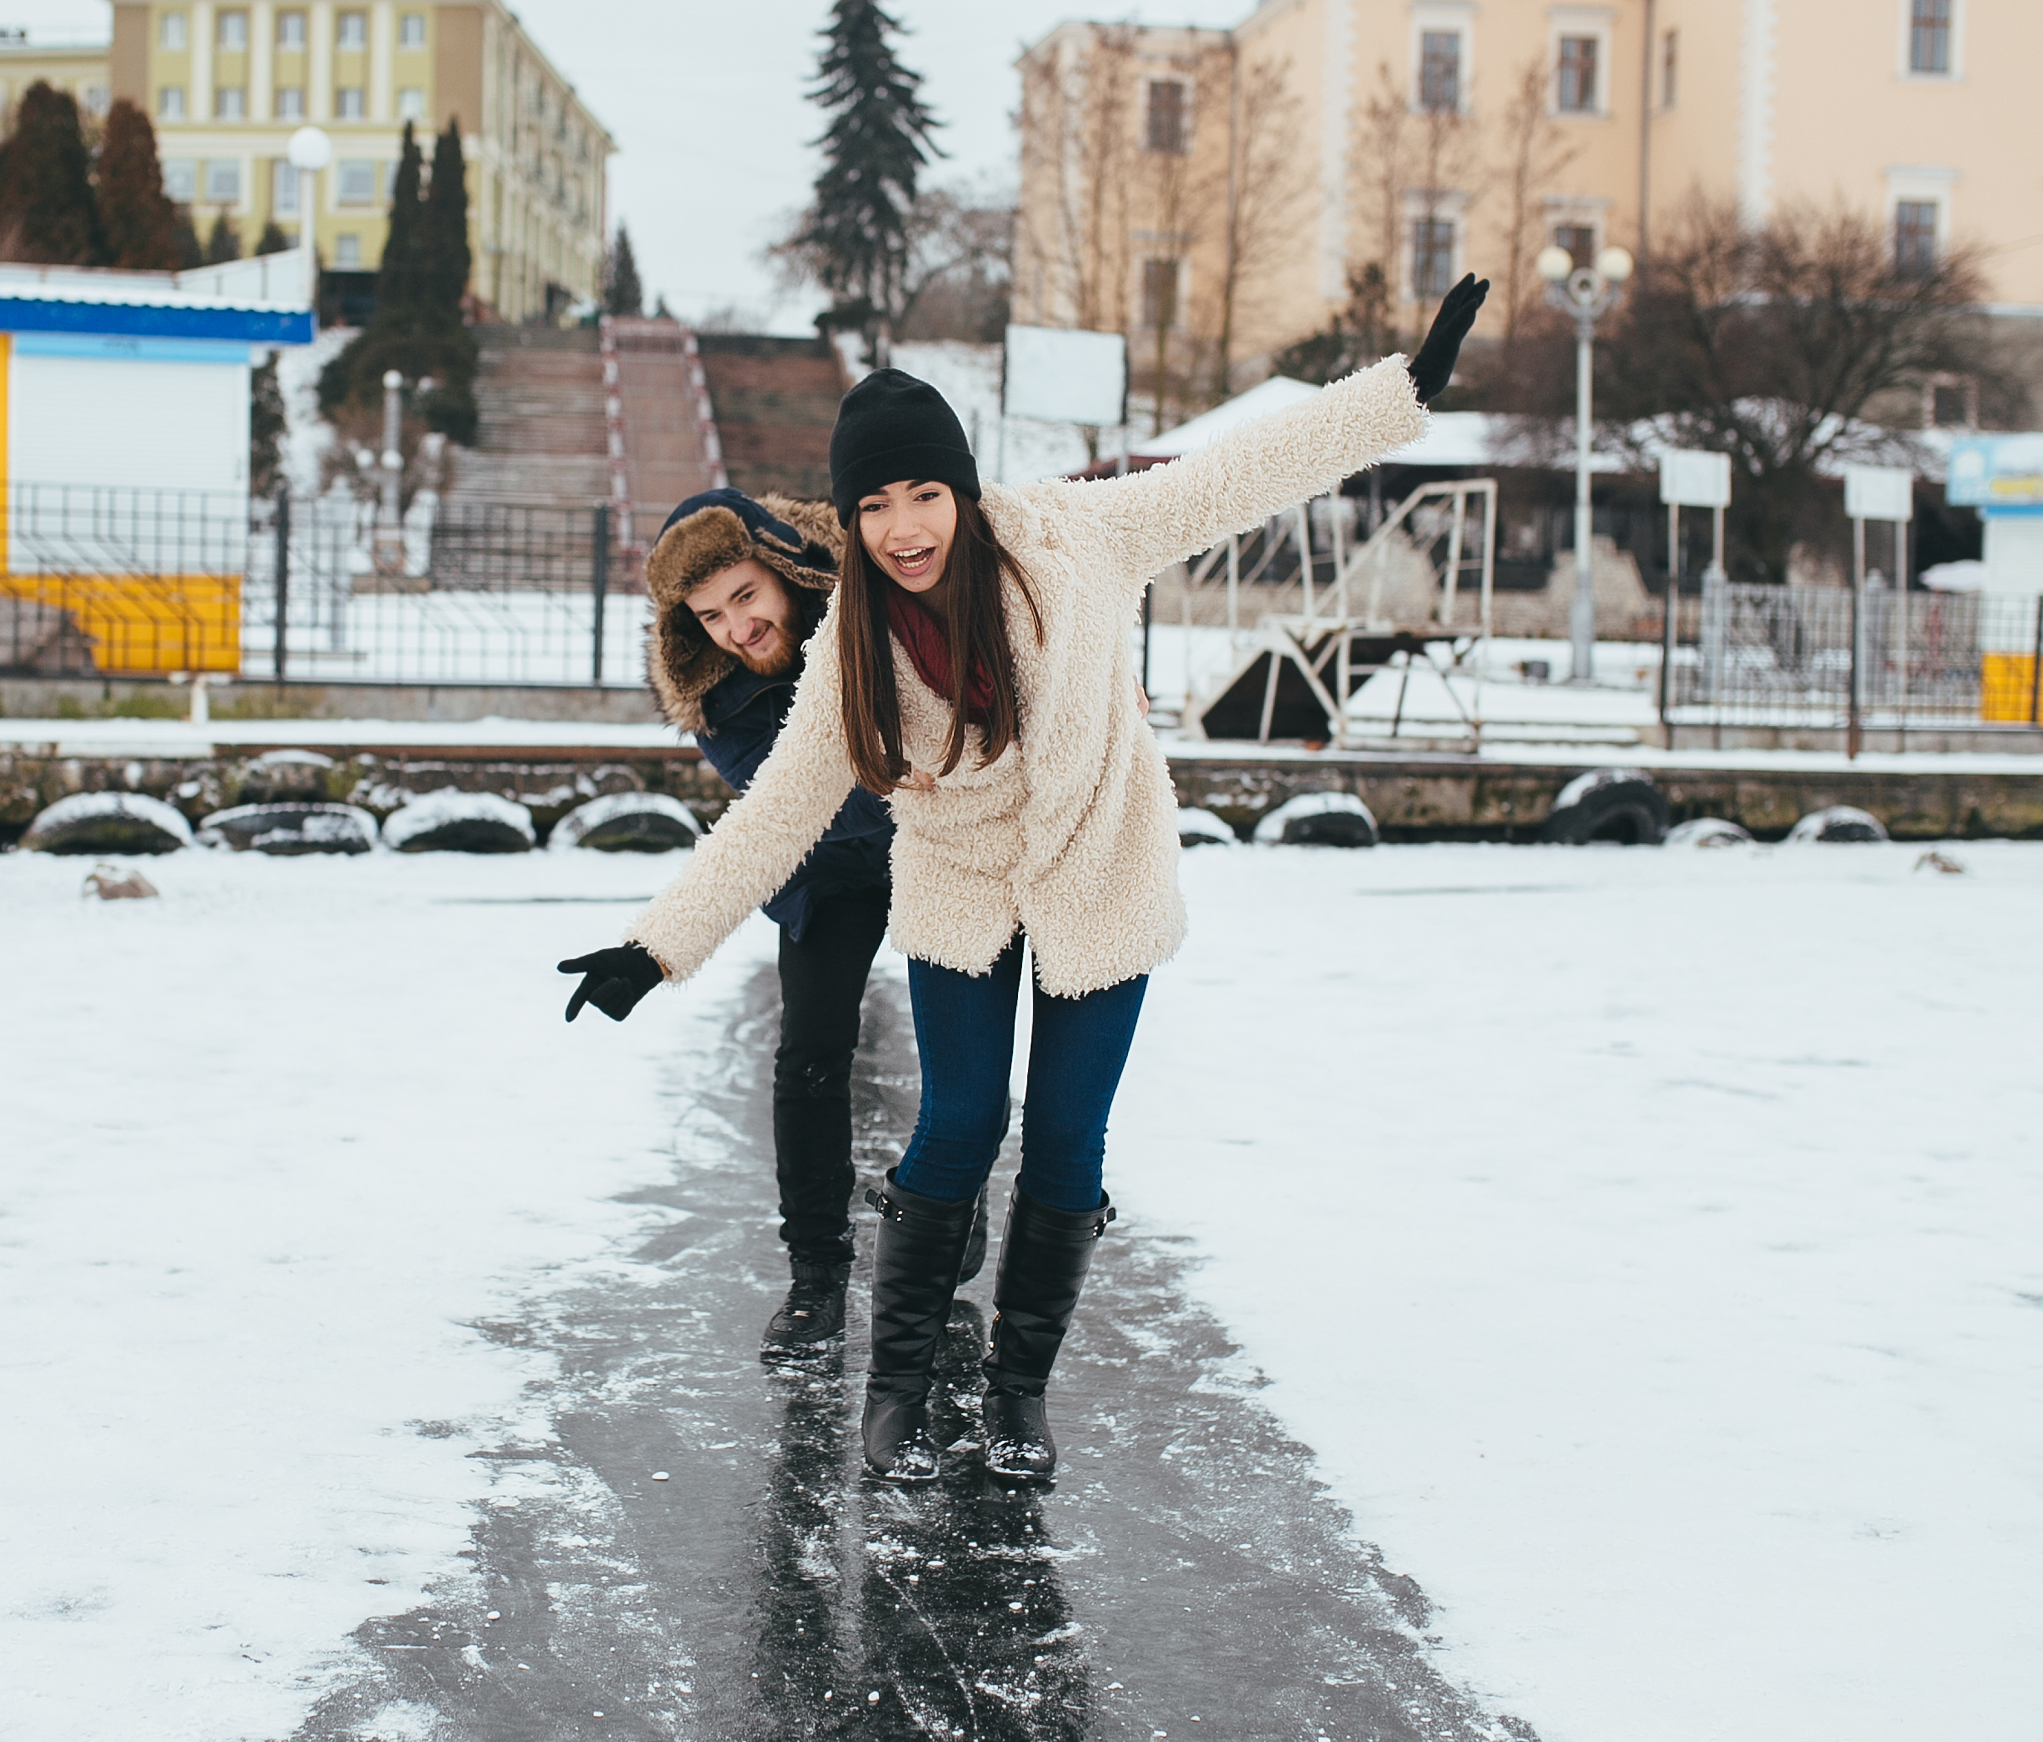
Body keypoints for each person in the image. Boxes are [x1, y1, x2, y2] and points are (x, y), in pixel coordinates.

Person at [565, 277, 1490, 1485]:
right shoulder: (851, 637)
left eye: (924, 494)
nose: (903, 528)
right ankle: (896, 1391)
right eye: (876, 504)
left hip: (1102, 867)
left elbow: (1236, 471)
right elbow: (776, 814)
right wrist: (655, 945)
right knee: (959, 1120)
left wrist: (1399, 395)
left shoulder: (1078, 537)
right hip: (959, 885)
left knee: (1067, 1138)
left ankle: (1016, 1392)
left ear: (961, 488)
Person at [632, 487, 987, 1359]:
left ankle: (942, 1216)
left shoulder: (876, 610)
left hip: (938, 844)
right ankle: (816, 1274)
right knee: (810, 1052)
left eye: (746, 598)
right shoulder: (713, 691)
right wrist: (894, 773)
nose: (736, 629)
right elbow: (796, 808)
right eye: (711, 615)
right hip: (825, 865)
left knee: (968, 1035)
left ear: (786, 572)